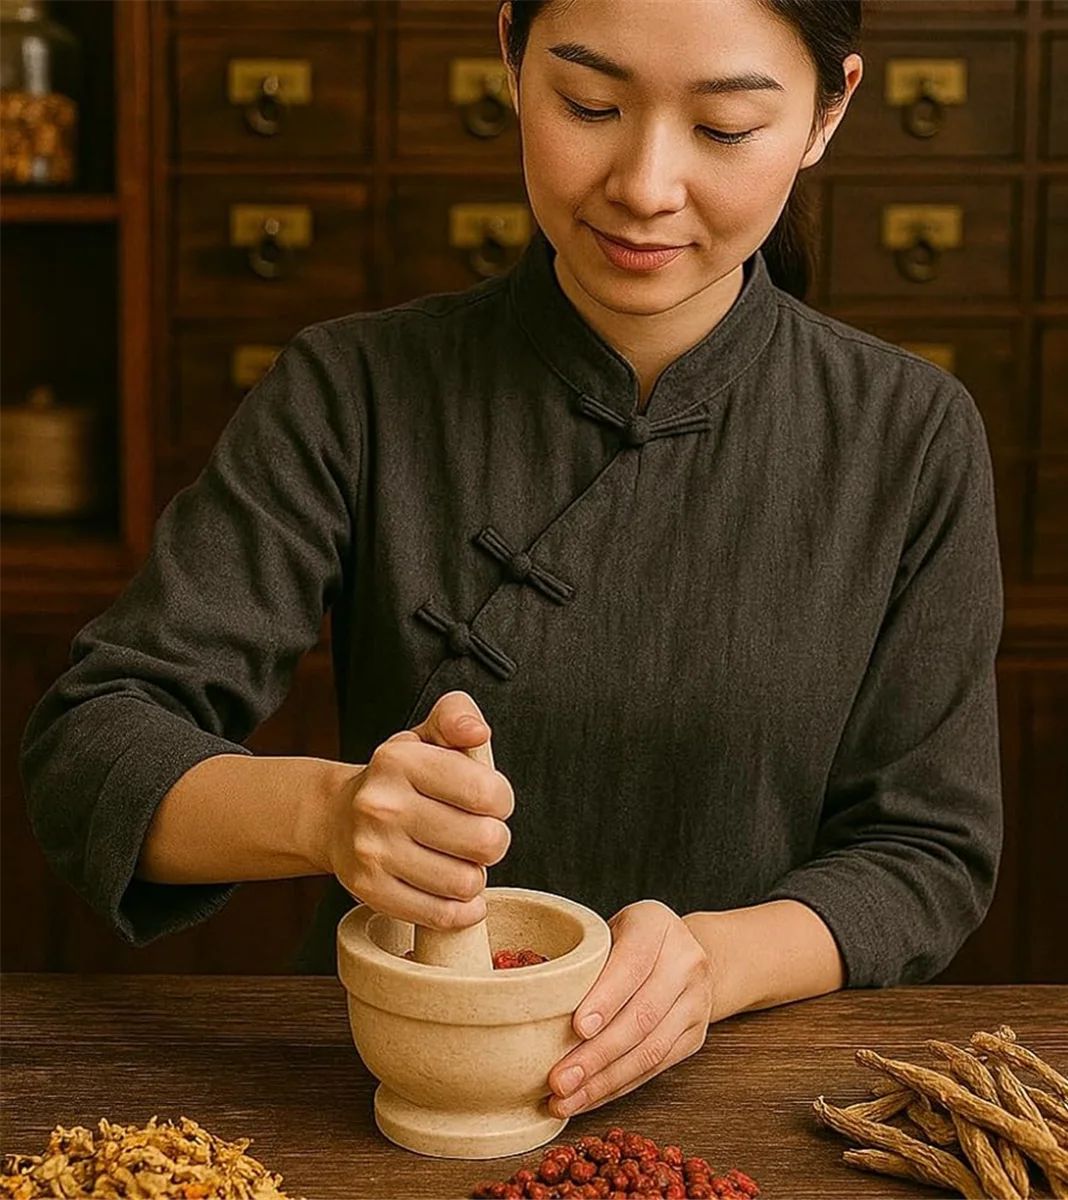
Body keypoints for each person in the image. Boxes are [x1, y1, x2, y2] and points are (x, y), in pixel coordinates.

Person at [21, 0, 1004, 1122]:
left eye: (724, 128)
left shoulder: (909, 434)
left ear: (828, 113)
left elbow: (927, 848)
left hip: (750, 1097)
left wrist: (715, 965)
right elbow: (92, 745)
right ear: (510, 59)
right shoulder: (352, 391)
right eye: (589, 105)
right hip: (386, 1086)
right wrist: (329, 813)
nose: (645, 185)